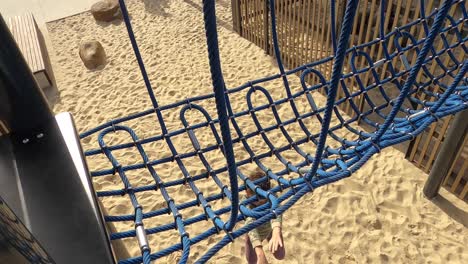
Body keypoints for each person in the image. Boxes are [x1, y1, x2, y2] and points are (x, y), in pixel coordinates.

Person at [244, 169, 285, 264]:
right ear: (247, 193)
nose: (261, 204)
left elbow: (277, 208)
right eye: (257, 202)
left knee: (280, 255)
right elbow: (250, 224)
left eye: (264, 201)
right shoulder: (245, 204)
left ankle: (273, 235)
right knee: (253, 261)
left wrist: (276, 230)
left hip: (270, 228)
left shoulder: (271, 194)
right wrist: (259, 251)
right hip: (253, 235)